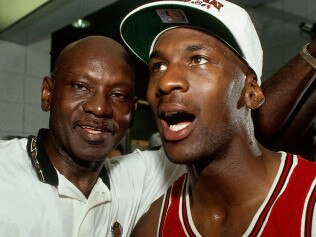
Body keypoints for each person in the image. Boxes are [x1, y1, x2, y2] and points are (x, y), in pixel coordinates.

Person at [120, 0, 316, 236]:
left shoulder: (309, 201)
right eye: (158, 66)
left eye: (198, 59)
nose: (166, 82)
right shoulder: (153, 225)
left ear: (251, 92)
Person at [0, 36, 183, 237]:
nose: (99, 107)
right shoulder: (5, 171)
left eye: (118, 95)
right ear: (48, 94)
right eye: (80, 86)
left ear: (132, 110)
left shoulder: (134, 181)